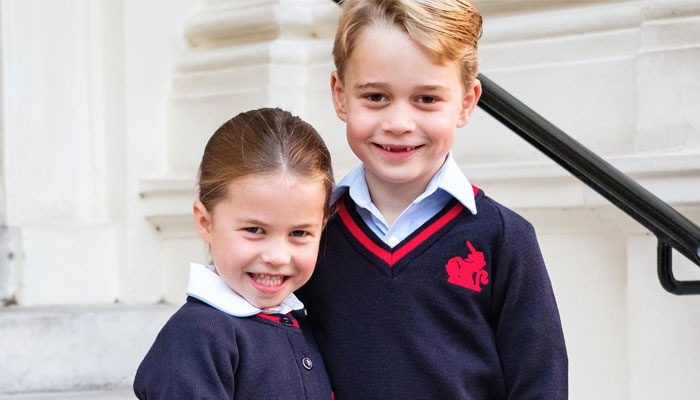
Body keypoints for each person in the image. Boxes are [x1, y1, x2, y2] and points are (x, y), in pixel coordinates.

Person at [297, 0, 568, 398]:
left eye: (426, 99)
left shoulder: (504, 238)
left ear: (466, 103)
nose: (398, 124)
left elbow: (540, 383)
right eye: (376, 97)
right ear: (340, 95)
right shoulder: (310, 233)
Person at [134, 108, 335, 399]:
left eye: (299, 233)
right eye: (254, 230)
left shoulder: (303, 319)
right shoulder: (196, 337)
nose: (278, 256)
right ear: (206, 222)